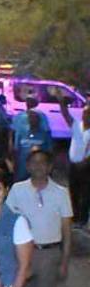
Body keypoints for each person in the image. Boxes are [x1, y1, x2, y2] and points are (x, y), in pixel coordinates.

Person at [5, 148, 72, 287]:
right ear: (28, 166)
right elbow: (7, 222)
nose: (38, 166)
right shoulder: (17, 189)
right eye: (34, 162)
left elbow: (66, 230)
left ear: (50, 167)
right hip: (24, 254)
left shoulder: (60, 193)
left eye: (43, 163)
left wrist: (64, 261)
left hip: (49, 254)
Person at [59, 94, 89, 228]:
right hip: (73, 165)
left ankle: (83, 218)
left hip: (86, 166)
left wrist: (84, 162)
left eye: (87, 113)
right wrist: (62, 104)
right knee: (73, 191)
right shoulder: (76, 125)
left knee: (85, 192)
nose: (84, 115)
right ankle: (75, 217)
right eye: (84, 113)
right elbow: (65, 115)